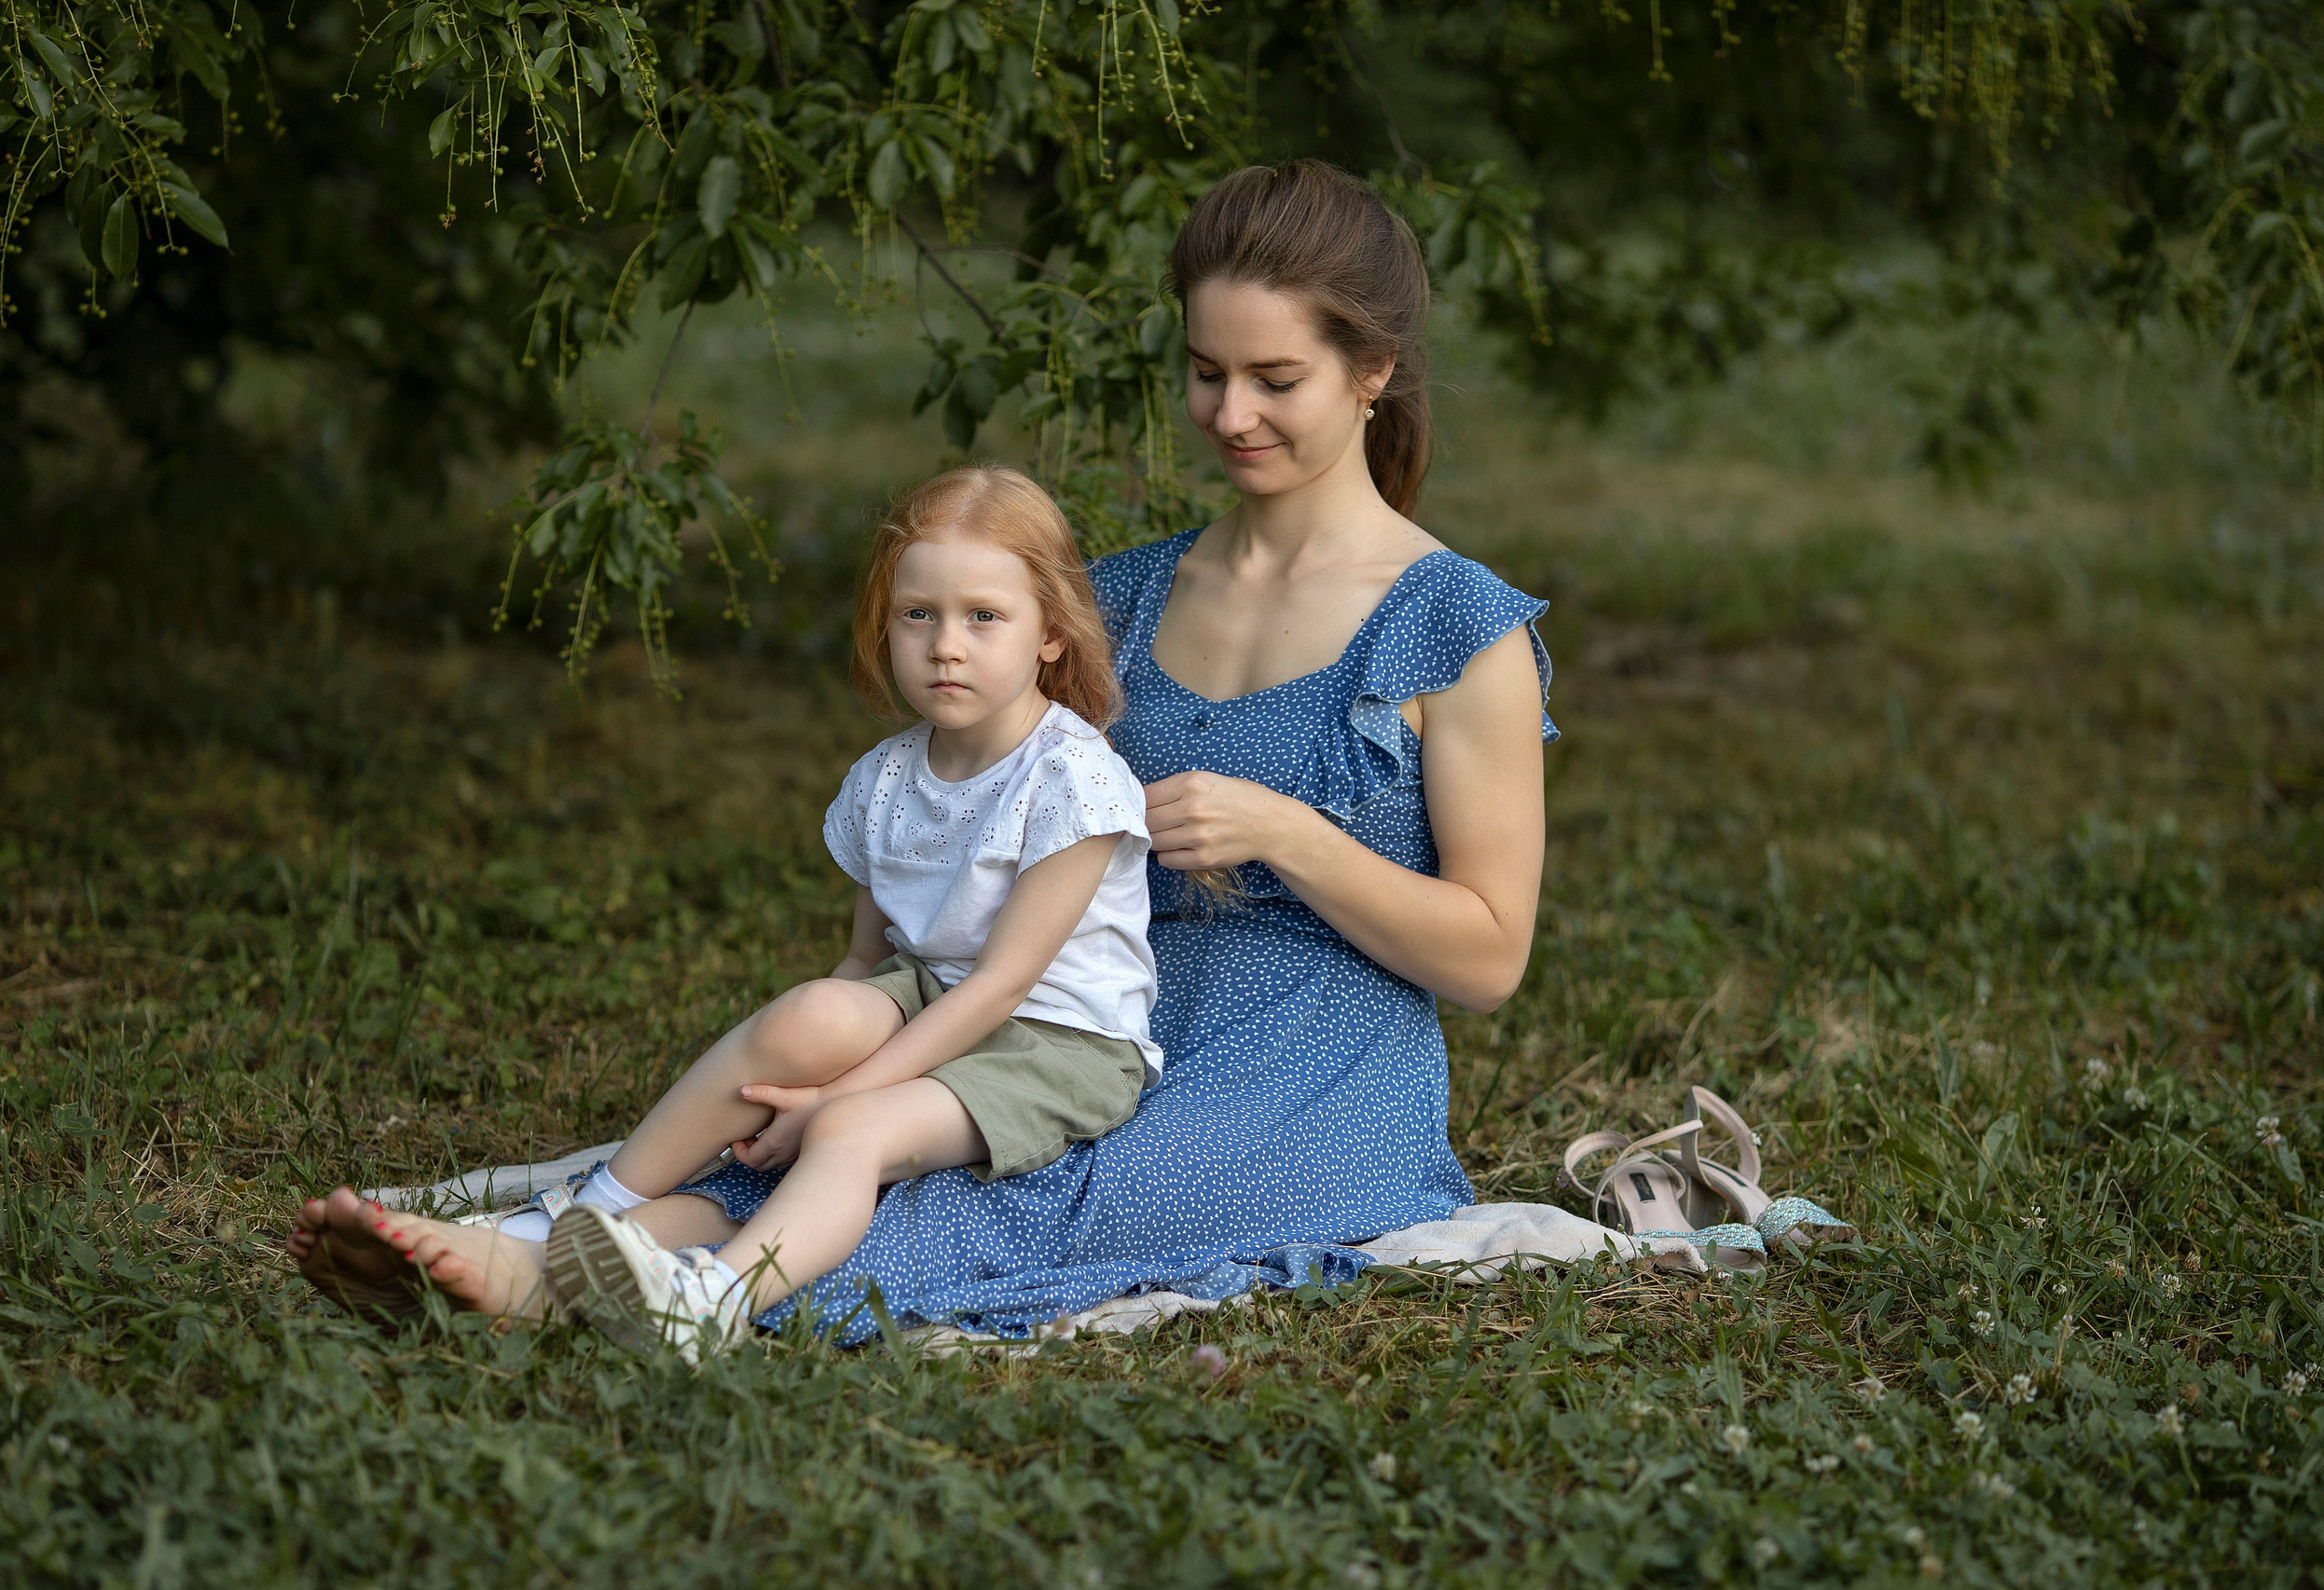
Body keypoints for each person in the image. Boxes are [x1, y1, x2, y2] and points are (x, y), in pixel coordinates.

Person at [288, 157, 1552, 1344]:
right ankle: (535, 1262)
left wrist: (1290, 834)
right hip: (1087, 1010)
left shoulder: (1452, 624)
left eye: (1275, 379)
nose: (1229, 412)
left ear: (1373, 369)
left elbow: (1490, 955)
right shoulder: (1118, 598)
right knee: (837, 1134)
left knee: (1009, 1188)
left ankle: (572, 1285)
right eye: (1206, 371)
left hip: (1314, 1073)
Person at [286, 467, 1161, 1355]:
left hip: (1057, 1039)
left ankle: (714, 1296)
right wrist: (815, 1047)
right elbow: (867, 959)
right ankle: (589, 1212)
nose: (946, 645)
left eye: (985, 616)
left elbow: (1002, 986)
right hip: (935, 990)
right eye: (918, 614)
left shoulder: (1072, 780)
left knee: (855, 1128)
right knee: (817, 1006)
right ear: (883, 623)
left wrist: (829, 1099)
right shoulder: (888, 778)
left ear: (1052, 632)